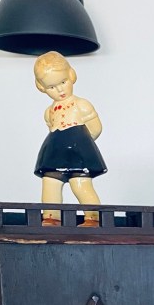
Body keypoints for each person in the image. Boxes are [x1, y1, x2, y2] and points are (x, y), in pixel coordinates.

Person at [33, 51, 107, 225]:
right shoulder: (49, 112)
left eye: (63, 82)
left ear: (71, 76)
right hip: (54, 152)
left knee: (80, 183)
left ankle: (93, 217)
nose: (59, 90)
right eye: (52, 87)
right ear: (42, 87)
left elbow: (95, 128)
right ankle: (51, 217)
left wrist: (83, 145)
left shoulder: (81, 105)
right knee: (50, 183)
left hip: (78, 152)